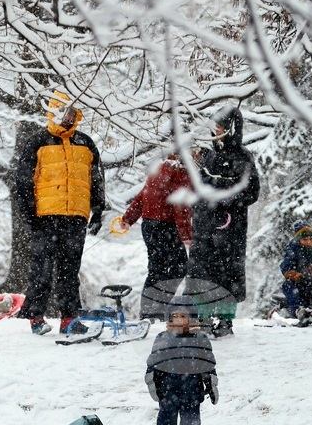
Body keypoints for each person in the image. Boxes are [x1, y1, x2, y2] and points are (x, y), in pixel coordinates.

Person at [15, 92, 106, 335]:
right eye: (65, 111)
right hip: (45, 215)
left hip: (75, 215)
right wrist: (29, 212)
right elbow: (24, 180)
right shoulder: (38, 141)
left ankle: (69, 318)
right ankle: (36, 317)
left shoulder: (85, 143)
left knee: (70, 270)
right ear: (54, 111)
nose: (69, 117)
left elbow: (95, 178)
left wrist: (98, 209)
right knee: (41, 268)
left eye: (73, 113)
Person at [185, 106, 260, 338]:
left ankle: (225, 320)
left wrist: (219, 189)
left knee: (228, 273)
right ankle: (203, 317)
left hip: (231, 228)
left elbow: (250, 192)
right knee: (201, 271)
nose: (215, 130)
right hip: (205, 226)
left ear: (231, 129)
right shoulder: (207, 155)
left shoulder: (242, 157)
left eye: (219, 126)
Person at [113, 153, 193, 319]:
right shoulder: (181, 170)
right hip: (166, 226)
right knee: (177, 268)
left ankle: (151, 311)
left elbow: (143, 194)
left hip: (150, 225)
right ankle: (155, 311)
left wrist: (128, 218)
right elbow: (181, 204)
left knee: (157, 270)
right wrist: (186, 234)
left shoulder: (160, 167)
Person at [146, 296, 218, 425]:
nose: (179, 320)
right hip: (167, 387)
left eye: (183, 316)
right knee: (165, 420)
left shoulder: (200, 339)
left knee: (191, 421)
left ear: (191, 318)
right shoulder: (162, 338)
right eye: (175, 316)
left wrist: (211, 384)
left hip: (192, 388)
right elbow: (154, 362)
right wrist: (152, 381)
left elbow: (207, 364)